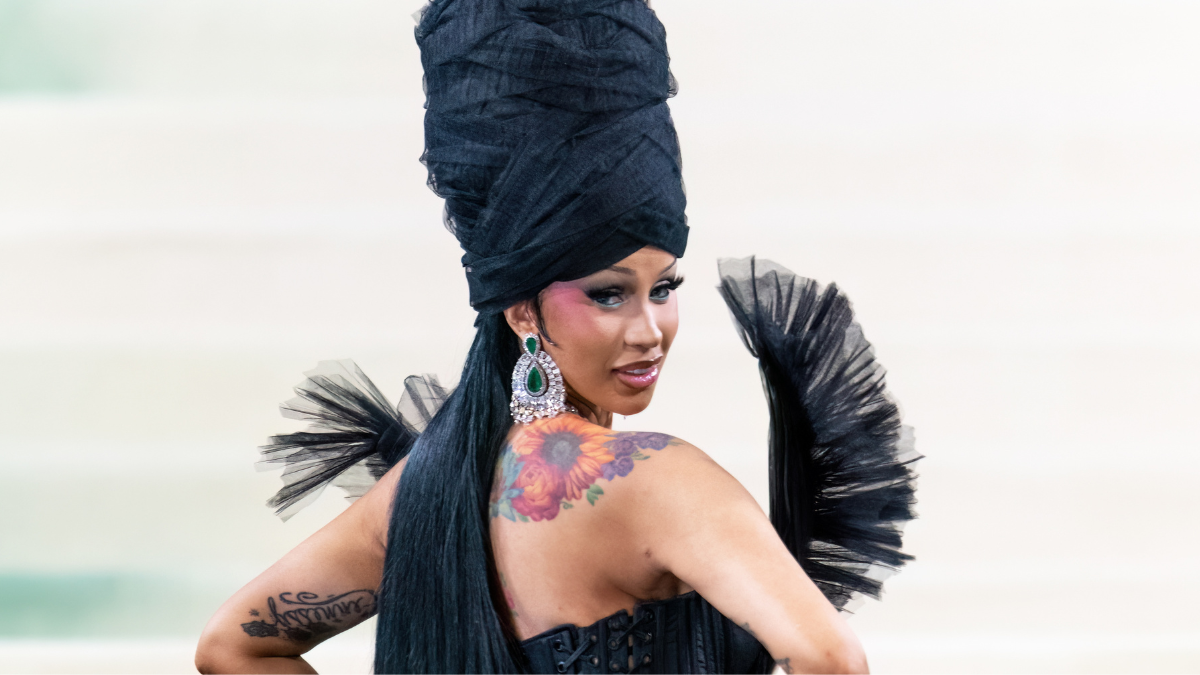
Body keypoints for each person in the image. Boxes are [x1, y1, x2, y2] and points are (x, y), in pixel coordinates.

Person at [195, 1, 918, 673]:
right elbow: (831, 659)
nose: (649, 330)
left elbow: (232, 646)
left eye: (664, 288)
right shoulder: (657, 482)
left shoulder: (420, 494)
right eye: (608, 294)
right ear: (522, 312)